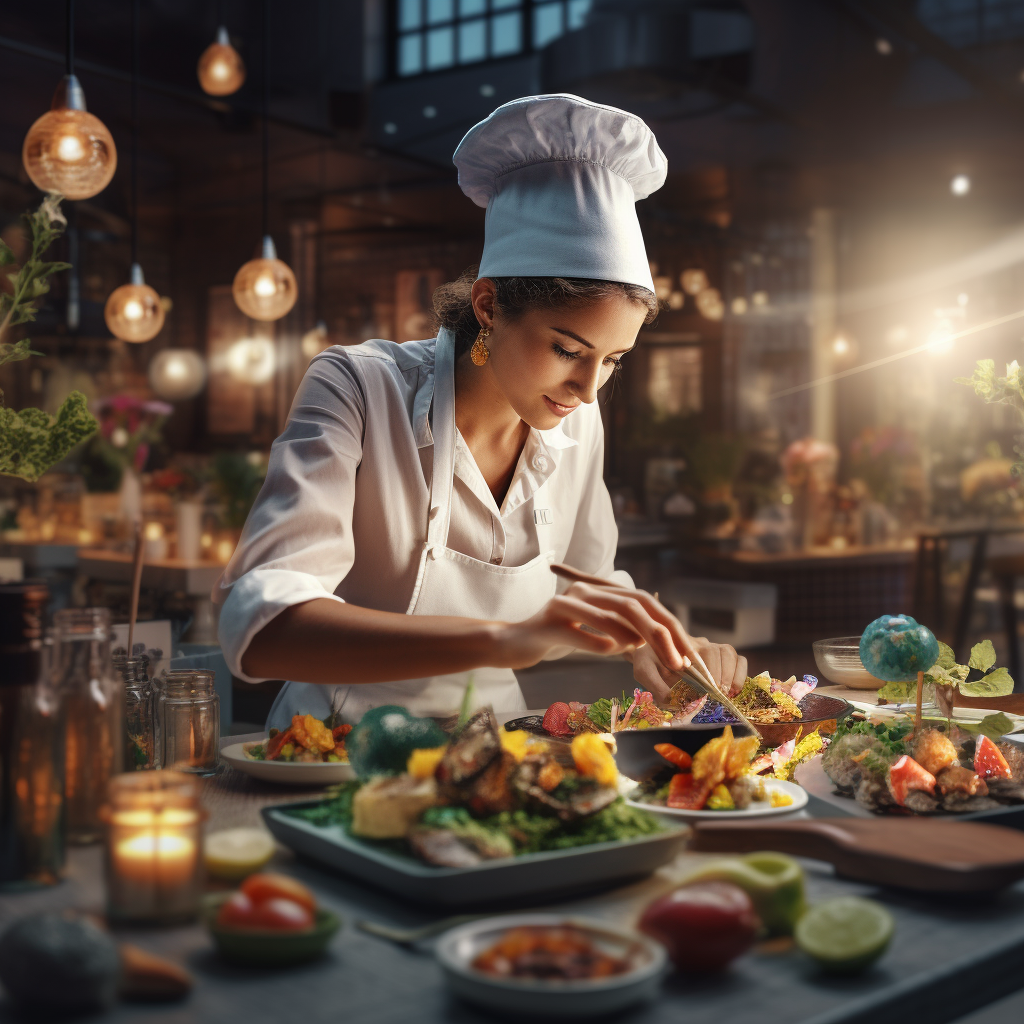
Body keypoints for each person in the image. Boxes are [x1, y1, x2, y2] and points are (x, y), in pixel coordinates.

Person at [215, 94, 747, 730]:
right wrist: (500, 640)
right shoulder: (358, 388)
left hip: (497, 751)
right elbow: (263, 624)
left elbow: (588, 580)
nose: (587, 388)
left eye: (612, 360)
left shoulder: (575, 417)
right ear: (490, 306)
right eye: (567, 350)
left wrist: (653, 642)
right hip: (333, 754)